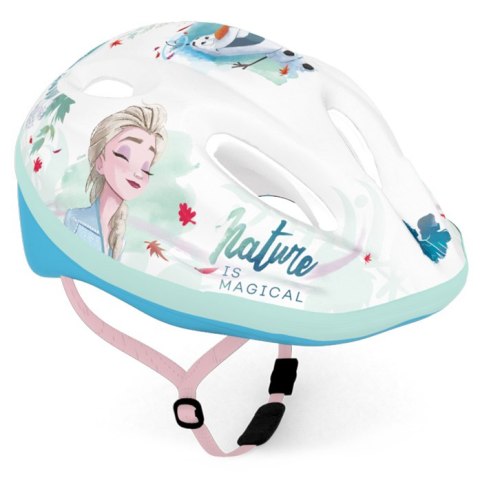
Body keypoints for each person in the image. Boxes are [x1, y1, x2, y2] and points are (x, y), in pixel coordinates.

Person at [64, 104, 168, 260]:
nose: (138, 173)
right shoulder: (76, 221)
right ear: (100, 163)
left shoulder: (119, 240)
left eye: (146, 168)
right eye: (125, 156)